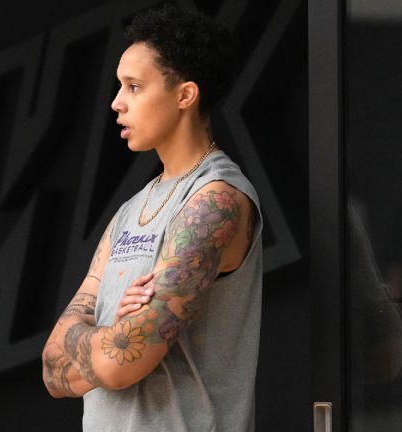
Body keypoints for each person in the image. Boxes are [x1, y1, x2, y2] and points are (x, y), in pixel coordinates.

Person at [42, 5, 262, 431]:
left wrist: (89, 336)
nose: (116, 102)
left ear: (185, 95)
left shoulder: (214, 201)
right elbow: (51, 371)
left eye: (134, 86)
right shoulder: (130, 210)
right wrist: (110, 334)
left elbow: (124, 361)